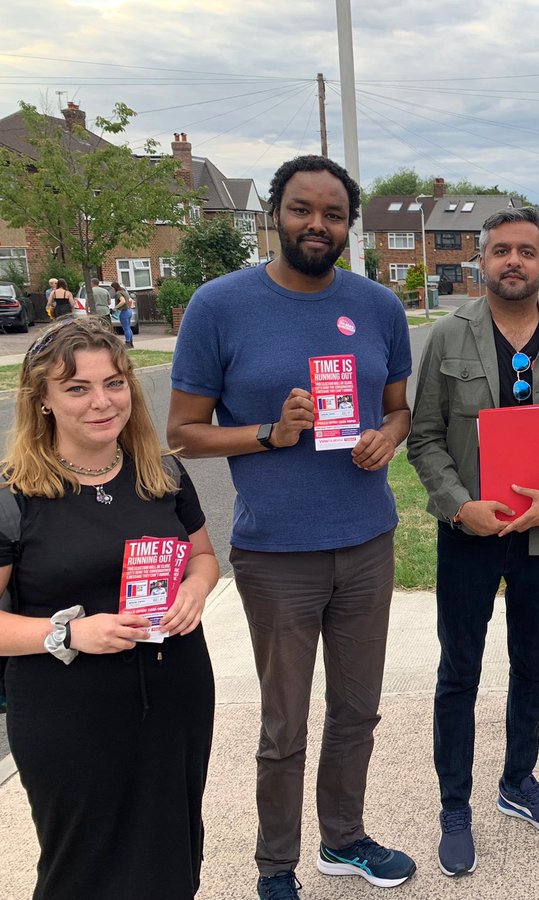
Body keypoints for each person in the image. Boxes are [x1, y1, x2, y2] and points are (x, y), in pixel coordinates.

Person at [167, 155, 415, 900]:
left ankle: (345, 840)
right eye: (303, 209)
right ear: (275, 212)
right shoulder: (220, 305)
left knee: (357, 710)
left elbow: (399, 405)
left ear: (349, 225)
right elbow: (183, 432)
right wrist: (269, 434)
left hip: (367, 540)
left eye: (334, 214)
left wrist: (389, 434)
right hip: (277, 552)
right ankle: (276, 865)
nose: (318, 224)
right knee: (284, 726)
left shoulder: (379, 306)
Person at [408, 206, 539, 878]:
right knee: (458, 674)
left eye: (527, 251)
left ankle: (518, 782)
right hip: (470, 534)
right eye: (501, 250)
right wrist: (457, 505)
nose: (514, 262)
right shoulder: (448, 337)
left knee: (532, 667)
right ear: (481, 261)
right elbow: (425, 437)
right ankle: (455, 804)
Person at [0, 315, 219, 899]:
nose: (102, 402)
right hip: (67, 711)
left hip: (175, 693)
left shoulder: (162, 472)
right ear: (42, 400)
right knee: (84, 862)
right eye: (77, 388)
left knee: (173, 847)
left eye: (114, 383)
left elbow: (202, 558)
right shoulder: (14, 494)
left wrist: (194, 592)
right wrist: (70, 633)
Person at [111, 280, 134, 347]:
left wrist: (115, 308)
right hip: (129, 311)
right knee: (129, 328)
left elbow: (122, 301)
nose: (112, 290)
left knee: (126, 328)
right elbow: (129, 301)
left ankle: (127, 343)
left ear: (114, 287)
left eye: (112, 288)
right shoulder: (124, 292)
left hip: (124, 312)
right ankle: (131, 343)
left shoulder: (118, 293)